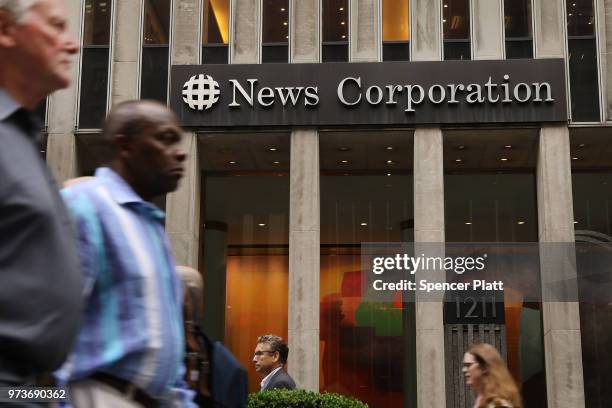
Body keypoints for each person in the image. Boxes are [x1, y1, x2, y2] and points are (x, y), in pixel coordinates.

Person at [57, 100, 195, 407]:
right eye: (166, 138)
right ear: (126, 146)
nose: (181, 152)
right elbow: (44, 330)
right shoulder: (83, 206)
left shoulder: (151, 226)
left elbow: (168, 358)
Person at [0, 0, 82, 393]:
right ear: (5, 28)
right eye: (56, 26)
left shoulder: (22, 138)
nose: (74, 44)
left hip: (34, 390)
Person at [462, 343, 522, 408]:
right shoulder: (481, 400)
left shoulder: (499, 404)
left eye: (468, 365)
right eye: (464, 366)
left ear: (484, 367)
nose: (464, 370)